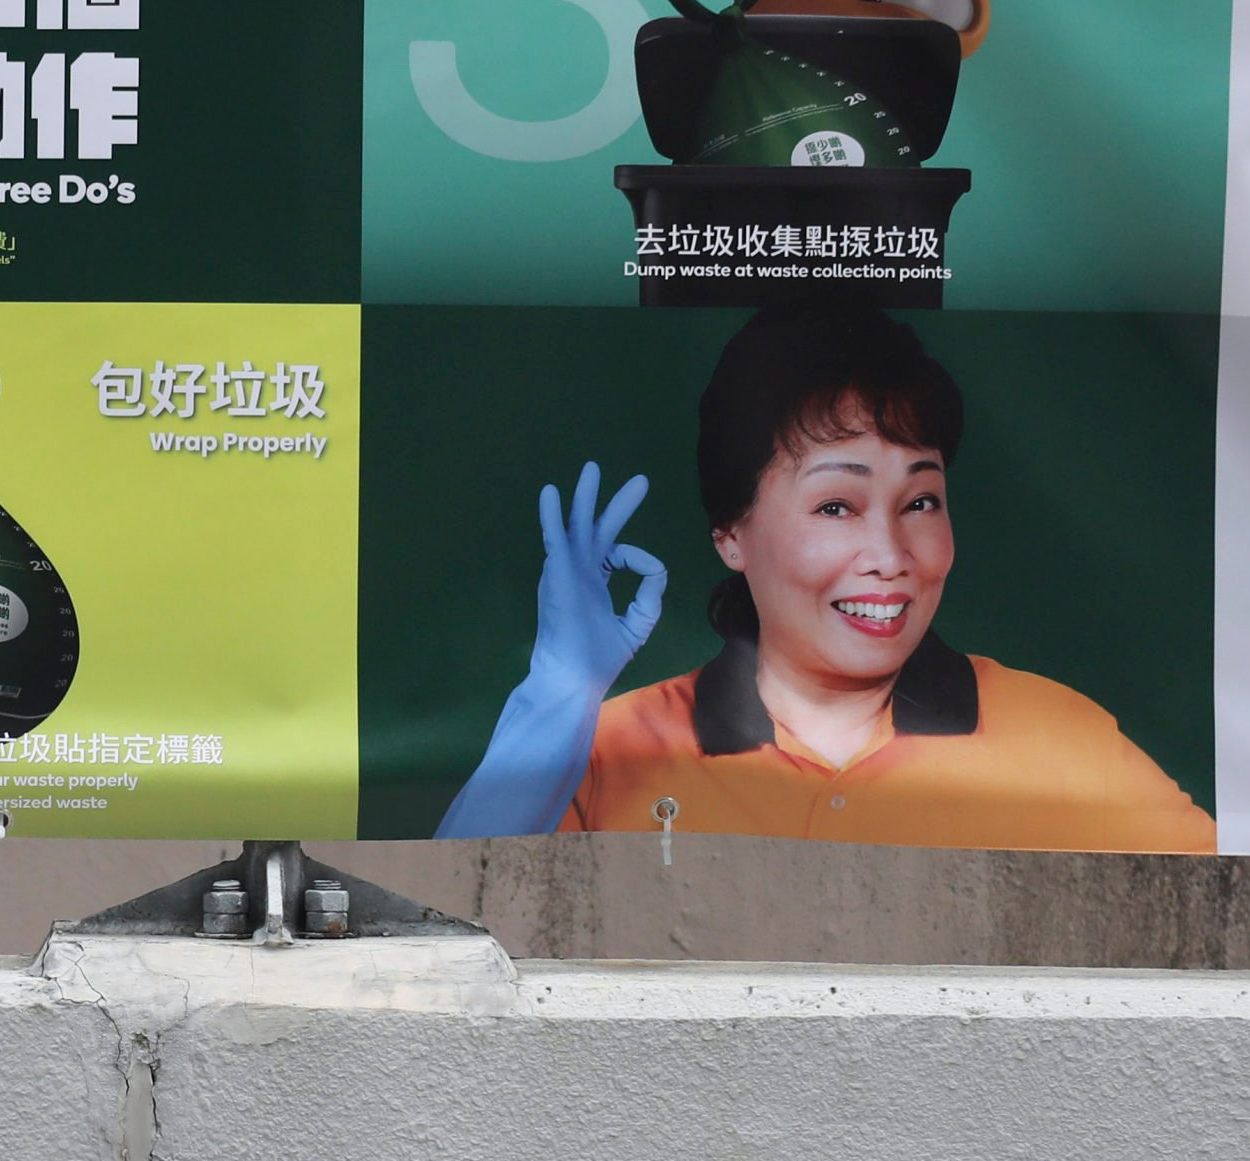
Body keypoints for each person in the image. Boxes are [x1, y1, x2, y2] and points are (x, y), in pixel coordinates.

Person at [436, 308, 1209, 850]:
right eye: (837, 505)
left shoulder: (1055, 737)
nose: (889, 552)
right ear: (731, 534)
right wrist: (557, 692)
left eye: (920, 501)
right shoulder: (608, 747)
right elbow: (444, 928)